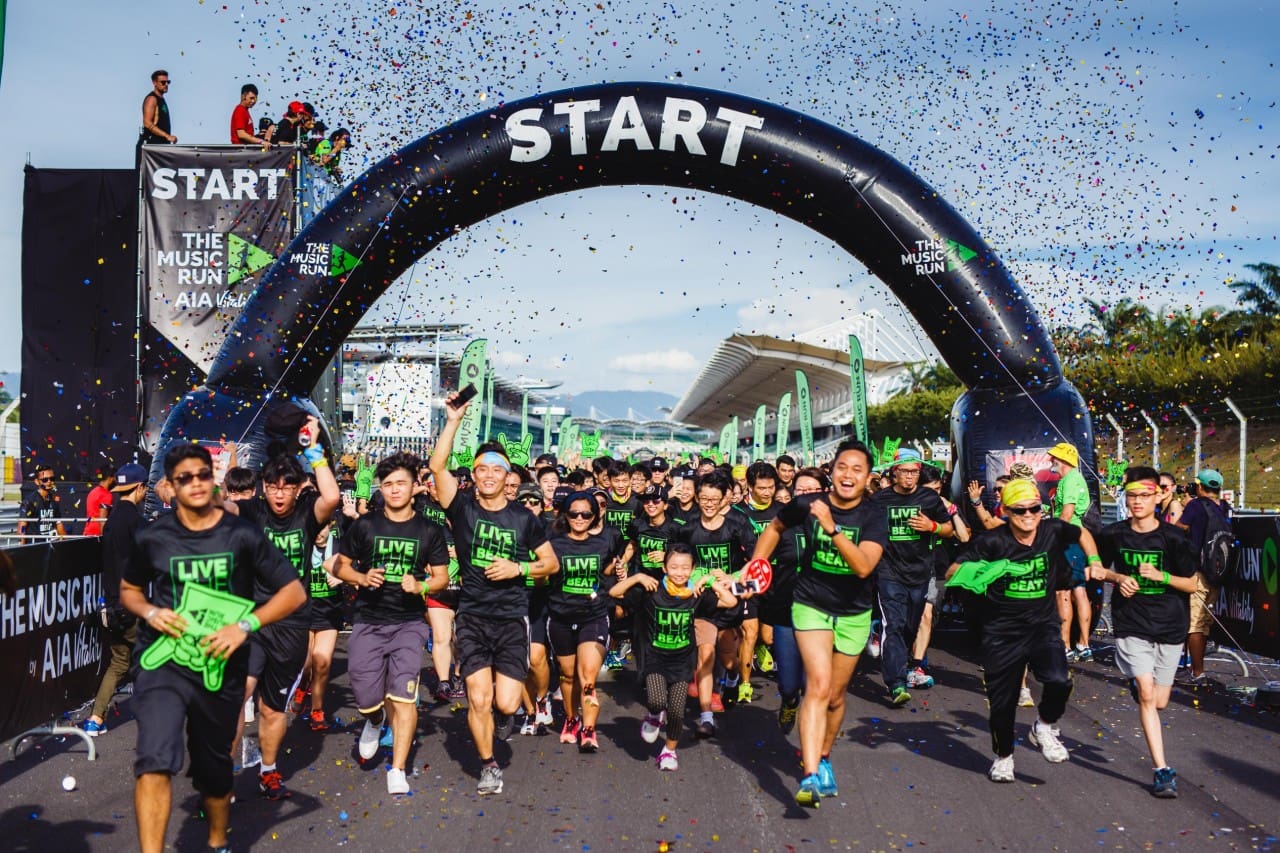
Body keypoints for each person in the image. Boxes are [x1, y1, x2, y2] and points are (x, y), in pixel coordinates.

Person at [120, 444, 305, 853]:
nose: (196, 483)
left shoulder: (241, 534)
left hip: (220, 664)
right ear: (168, 486)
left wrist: (246, 625)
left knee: (213, 770)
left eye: (203, 474)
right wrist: (151, 613)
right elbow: (129, 590)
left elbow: (294, 592)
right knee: (154, 756)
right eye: (184, 478)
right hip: (163, 659)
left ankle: (218, 838)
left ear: (213, 477)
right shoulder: (153, 536)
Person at [428, 396, 559, 796]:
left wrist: (518, 568)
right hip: (471, 617)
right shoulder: (463, 509)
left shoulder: (524, 518)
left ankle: (508, 717)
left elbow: (551, 564)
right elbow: (436, 467)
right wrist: (453, 421)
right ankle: (488, 766)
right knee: (478, 700)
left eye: (495, 469)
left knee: (504, 703)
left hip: (512, 619)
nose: (488, 475)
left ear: (507, 477)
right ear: (474, 474)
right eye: (481, 468)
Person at [750, 439, 887, 807]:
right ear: (831, 470)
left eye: (857, 470)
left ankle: (824, 758)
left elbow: (862, 566)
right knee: (819, 686)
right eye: (842, 467)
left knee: (836, 696)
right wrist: (757, 567)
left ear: (867, 477)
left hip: (854, 613)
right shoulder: (808, 504)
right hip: (810, 604)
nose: (848, 475)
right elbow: (775, 527)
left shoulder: (874, 515)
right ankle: (809, 774)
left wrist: (832, 529)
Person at [945, 477, 1100, 784]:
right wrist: (990, 569)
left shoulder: (1051, 530)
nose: (1029, 516)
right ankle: (1004, 757)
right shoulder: (992, 542)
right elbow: (951, 572)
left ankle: (1043, 727)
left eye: (1034, 509)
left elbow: (1080, 531)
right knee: (1003, 702)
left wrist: (1094, 559)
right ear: (1005, 511)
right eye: (1020, 511)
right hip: (1001, 631)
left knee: (1059, 681)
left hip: (1042, 626)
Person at [225, 419, 339, 800]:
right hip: (252, 619)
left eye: (286, 486)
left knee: (274, 710)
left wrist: (314, 452)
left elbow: (333, 499)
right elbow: (221, 505)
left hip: (292, 626)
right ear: (263, 487)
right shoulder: (253, 512)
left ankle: (268, 770)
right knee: (239, 693)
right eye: (272, 486)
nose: (278, 493)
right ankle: (220, 782)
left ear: (297, 489)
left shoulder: (307, 512)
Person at [332, 452, 450, 795]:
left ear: (415, 487)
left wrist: (423, 585)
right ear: (380, 489)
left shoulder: (430, 530)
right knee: (367, 697)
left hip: (408, 623)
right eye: (388, 484)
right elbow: (338, 565)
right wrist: (361, 576)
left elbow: (441, 576)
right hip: (368, 621)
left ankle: (398, 768)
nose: (395, 490)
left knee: (404, 696)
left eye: (401, 483)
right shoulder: (365, 526)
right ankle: (374, 720)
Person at [1093, 466, 1196, 798]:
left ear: (1158, 496)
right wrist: (1118, 578)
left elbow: (1192, 584)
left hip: (1170, 624)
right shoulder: (1114, 534)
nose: (1137, 502)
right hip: (1131, 623)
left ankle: (1145, 688)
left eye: (1144, 495)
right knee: (1148, 694)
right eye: (1132, 495)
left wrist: (1160, 576)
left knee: (1160, 700)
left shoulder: (1174, 537)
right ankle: (1162, 770)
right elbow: (1095, 569)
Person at [611, 543, 738, 771]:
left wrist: (708, 581)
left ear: (692, 569)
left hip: (682, 661)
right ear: (664, 567)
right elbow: (615, 592)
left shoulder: (695, 594)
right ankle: (653, 715)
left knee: (677, 712)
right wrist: (638, 577)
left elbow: (731, 602)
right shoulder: (651, 590)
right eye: (674, 567)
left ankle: (669, 751)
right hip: (655, 658)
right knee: (658, 701)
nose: (679, 573)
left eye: (685, 568)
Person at [869, 450, 954, 705]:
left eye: (914, 471)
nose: (909, 476)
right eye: (905, 471)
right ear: (894, 472)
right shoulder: (880, 499)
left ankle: (900, 659)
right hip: (889, 572)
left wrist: (933, 527)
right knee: (893, 625)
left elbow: (949, 530)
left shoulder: (928, 498)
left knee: (910, 626)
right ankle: (895, 683)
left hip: (920, 572)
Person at [675, 470, 756, 736]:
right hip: (704, 602)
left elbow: (754, 565)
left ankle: (733, 678)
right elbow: (680, 562)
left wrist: (731, 577)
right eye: (704, 499)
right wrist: (696, 578)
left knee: (728, 658)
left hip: (730, 598)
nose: (708, 504)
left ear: (724, 499)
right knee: (705, 656)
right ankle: (706, 716)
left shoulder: (737, 524)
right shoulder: (687, 527)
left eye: (714, 499)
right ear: (697, 497)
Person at [547, 492, 625, 751]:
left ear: (595, 516)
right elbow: (541, 573)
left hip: (593, 615)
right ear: (565, 515)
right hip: (559, 616)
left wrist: (619, 573)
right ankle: (571, 719)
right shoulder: (554, 544)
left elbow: (607, 573)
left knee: (588, 677)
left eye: (586, 514)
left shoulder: (603, 542)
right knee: (568, 676)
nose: (580, 518)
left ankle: (589, 731)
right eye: (574, 514)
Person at [759, 466, 827, 734]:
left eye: (813, 491)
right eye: (801, 491)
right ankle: (789, 701)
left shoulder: (838, 523)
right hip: (786, 610)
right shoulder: (780, 524)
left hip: (822, 612)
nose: (806, 496)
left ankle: (814, 741)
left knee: (815, 682)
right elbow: (759, 561)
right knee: (789, 683)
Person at [82, 463, 148, 736]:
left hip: (109, 605)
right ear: (141, 488)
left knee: (119, 662)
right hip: (130, 606)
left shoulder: (112, 519)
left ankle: (95, 720)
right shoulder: (133, 520)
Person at [1175, 468, 1231, 684]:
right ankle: (1195, 669)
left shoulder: (1196, 505)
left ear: (1199, 486)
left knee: (1194, 623)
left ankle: (1197, 672)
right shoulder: (1225, 507)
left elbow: (1180, 527)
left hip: (1197, 571)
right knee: (1204, 622)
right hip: (1217, 571)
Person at [1047, 442, 1094, 662]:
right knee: (1078, 590)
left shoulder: (1071, 479)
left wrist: (1051, 534)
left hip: (1068, 541)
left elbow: (1067, 513)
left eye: (1054, 457)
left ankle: (1068, 645)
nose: (1050, 461)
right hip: (1073, 540)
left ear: (1063, 460)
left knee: (1064, 592)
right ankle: (1082, 645)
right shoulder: (1071, 479)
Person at [19, 464, 65, 544]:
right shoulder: (29, 501)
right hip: (34, 546)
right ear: (37, 482)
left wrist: (67, 544)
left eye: (52, 478)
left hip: (51, 545)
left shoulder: (54, 499)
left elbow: (59, 525)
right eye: (45, 480)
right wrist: (21, 549)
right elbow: (22, 527)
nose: (49, 481)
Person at [83, 469, 114, 536]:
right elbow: (102, 520)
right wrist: (105, 540)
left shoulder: (92, 492)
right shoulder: (106, 495)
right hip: (97, 534)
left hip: (87, 532)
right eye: (115, 479)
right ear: (110, 479)